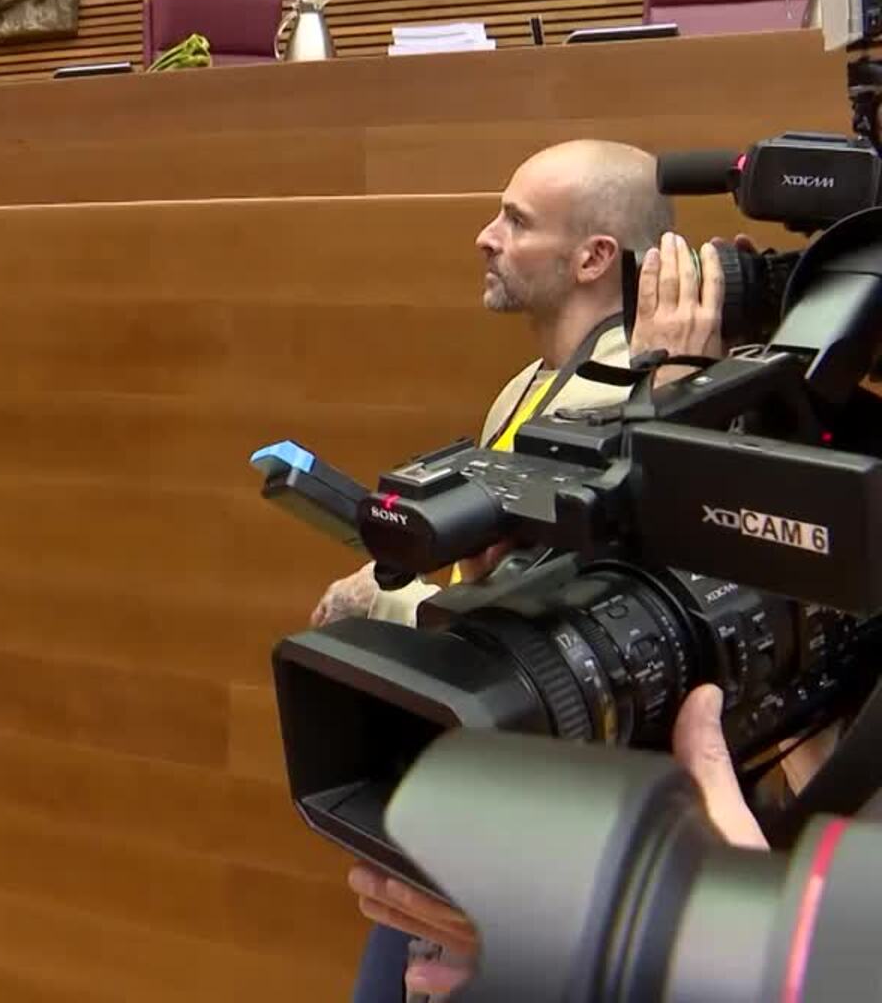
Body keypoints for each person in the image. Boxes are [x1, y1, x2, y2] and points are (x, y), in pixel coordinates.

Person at [305, 140, 738, 1001]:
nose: (486, 236)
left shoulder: (632, 401)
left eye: (516, 221)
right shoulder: (529, 384)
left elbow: (558, 617)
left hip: (553, 802)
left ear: (593, 257)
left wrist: (384, 605)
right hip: (471, 765)